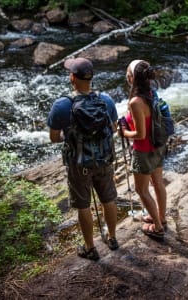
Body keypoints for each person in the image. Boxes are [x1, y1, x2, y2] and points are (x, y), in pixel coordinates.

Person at [47, 57, 119, 261]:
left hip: (79, 165)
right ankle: (112, 238)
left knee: (84, 205)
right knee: (108, 199)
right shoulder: (106, 100)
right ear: (91, 77)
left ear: (72, 78)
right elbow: (113, 129)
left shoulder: (62, 105)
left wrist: (69, 136)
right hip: (104, 160)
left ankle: (89, 247)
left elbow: (54, 138)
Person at [120, 59, 167, 240]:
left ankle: (157, 227)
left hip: (144, 150)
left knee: (142, 190)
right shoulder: (152, 93)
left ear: (132, 78)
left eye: (127, 74)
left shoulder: (136, 102)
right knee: (158, 183)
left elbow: (140, 135)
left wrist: (123, 132)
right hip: (158, 145)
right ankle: (161, 217)